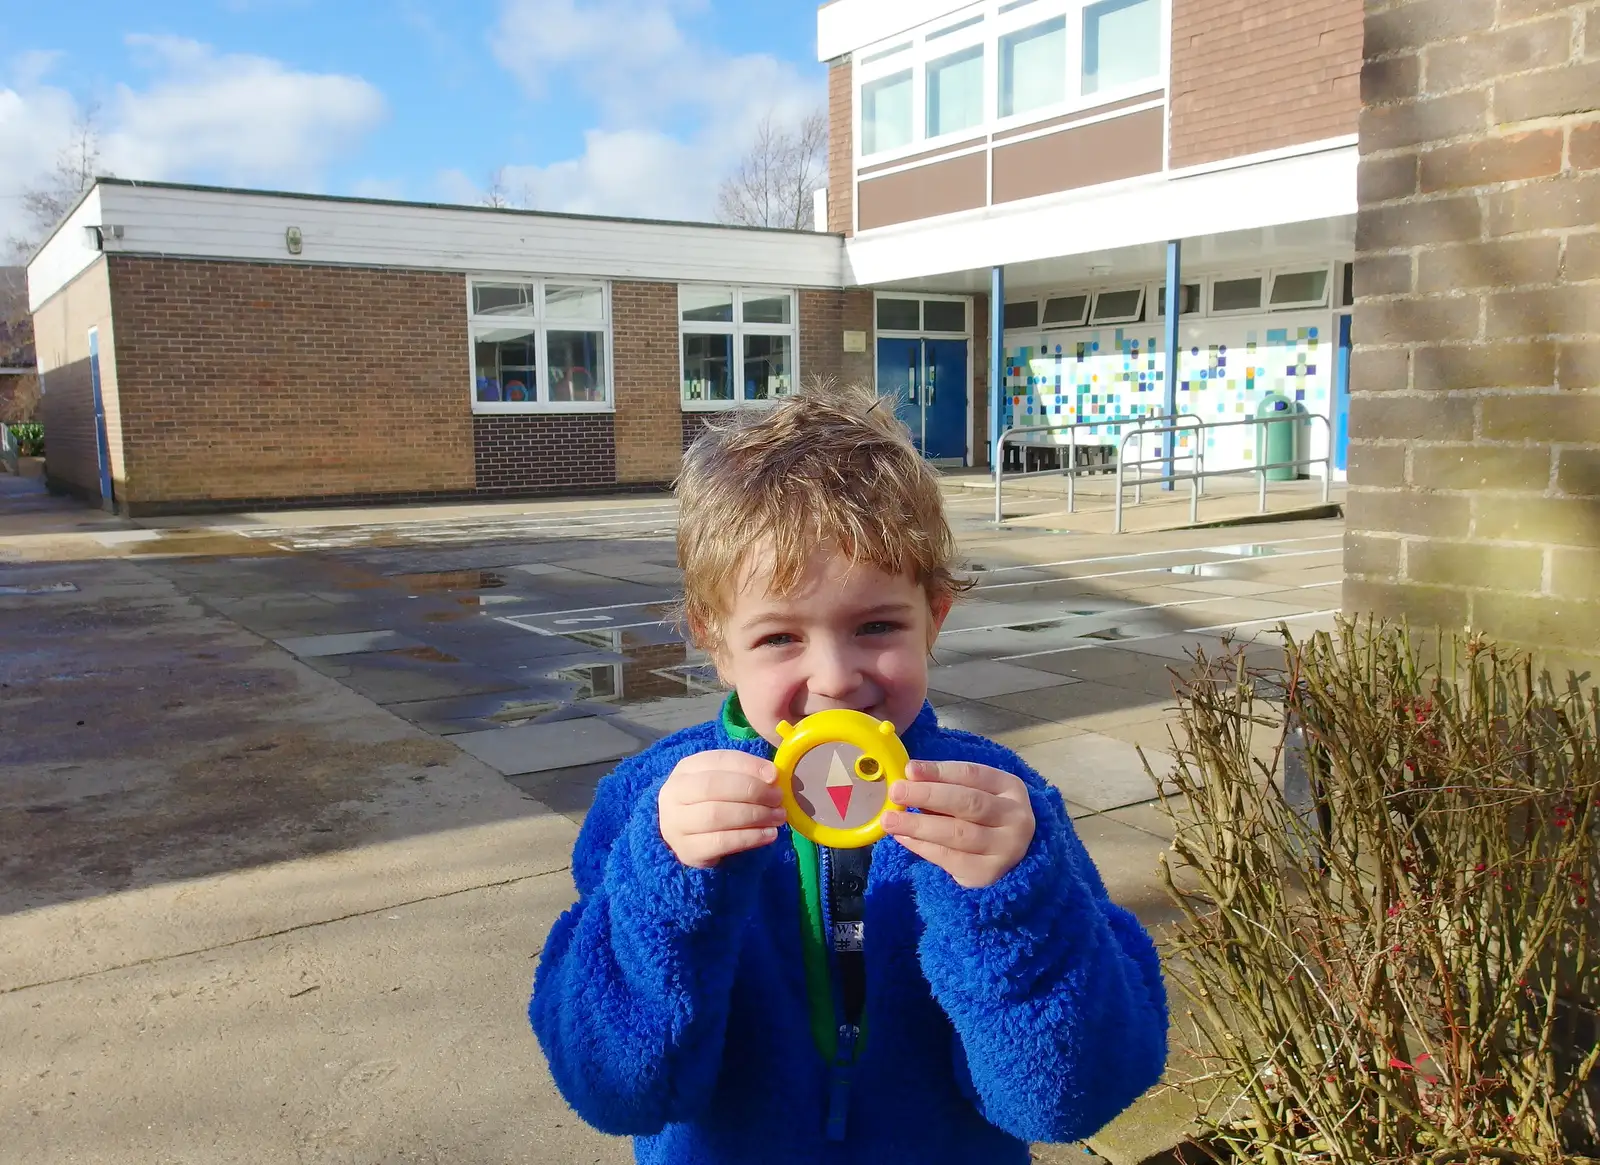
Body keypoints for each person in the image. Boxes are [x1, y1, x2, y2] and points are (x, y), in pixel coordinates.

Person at [530, 382, 1168, 1164]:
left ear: (933, 616)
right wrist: (661, 887)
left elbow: (1069, 1098)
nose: (834, 678)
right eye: (778, 638)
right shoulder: (650, 809)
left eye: (875, 626)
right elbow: (612, 1087)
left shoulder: (1001, 808)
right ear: (713, 638)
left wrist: (1015, 903)